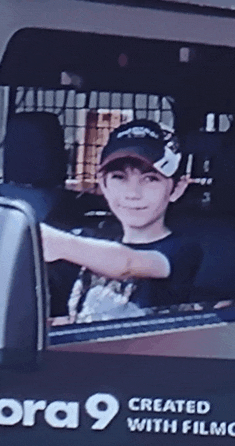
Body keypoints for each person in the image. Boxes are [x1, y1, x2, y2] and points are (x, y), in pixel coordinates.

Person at [41, 119, 203, 323]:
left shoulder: (182, 250)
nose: (132, 194)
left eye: (150, 179)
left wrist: (54, 242)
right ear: (103, 184)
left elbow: (126, 264)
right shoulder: (89, 239)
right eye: (119, 177)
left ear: (177, 188)